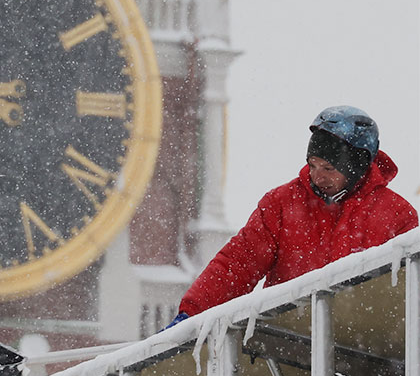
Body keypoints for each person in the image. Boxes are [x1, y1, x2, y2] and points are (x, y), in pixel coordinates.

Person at [167, 105, 418, 327]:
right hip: (286, 344)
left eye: (329, 168)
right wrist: (192, 313)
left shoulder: (398, 216)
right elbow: (238, 263)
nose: (318, 176)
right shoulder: (281, 204)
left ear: (357, 166)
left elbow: (409, 291)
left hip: (367, 350)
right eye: (313, 164)